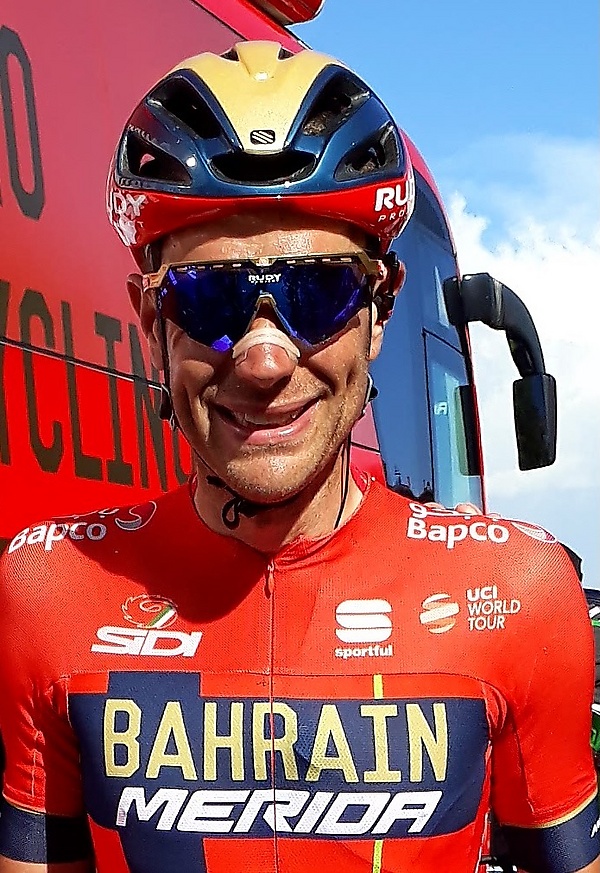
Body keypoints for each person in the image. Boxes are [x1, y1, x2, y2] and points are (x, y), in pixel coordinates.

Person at [0, 41, 597, 873]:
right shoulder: (42, 590)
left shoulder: (522, 595)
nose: (265, 358)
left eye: (318, 292)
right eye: (210, 296)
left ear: (381, 310)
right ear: (150, 322)